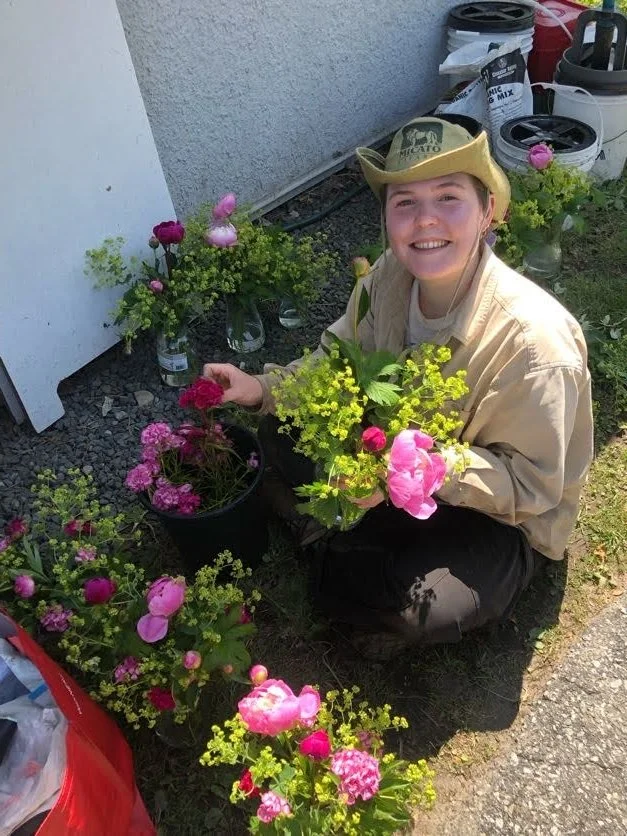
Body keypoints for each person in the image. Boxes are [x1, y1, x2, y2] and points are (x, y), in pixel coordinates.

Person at [203, 116, 594, 659]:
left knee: (433, 603)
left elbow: (531, 488)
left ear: (488, 213)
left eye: (449, 197)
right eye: (404, 202)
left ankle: (343, 550)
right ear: (386, 217)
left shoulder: (534, 348)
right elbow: (334, 362)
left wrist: (420, 473)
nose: (424, 220)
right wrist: (260, 387)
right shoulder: (389, 275)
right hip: (396, 460)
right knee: (277, 427)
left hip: (499, 515)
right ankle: (349, 544)